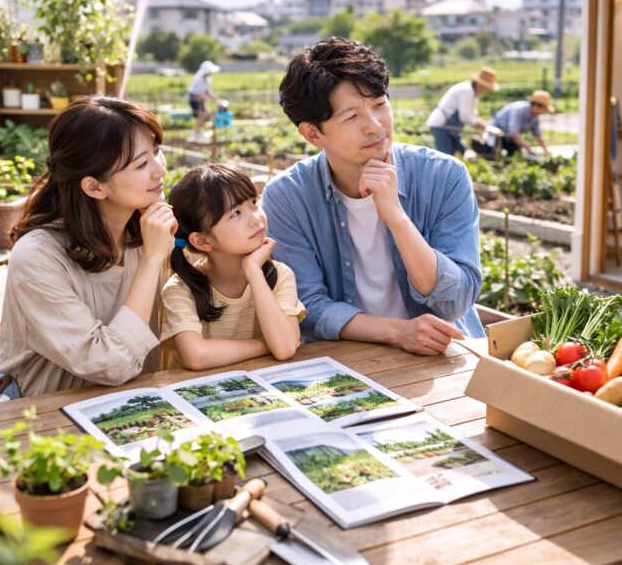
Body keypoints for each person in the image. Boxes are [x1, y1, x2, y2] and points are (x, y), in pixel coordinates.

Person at [0, 96, 176, 509]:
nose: (159, 170)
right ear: (93, 185)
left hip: (122, 419)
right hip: (39, 435)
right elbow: (107, 363)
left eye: (157, 153)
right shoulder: (38, 256)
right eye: (141, 164)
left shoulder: (148, 228)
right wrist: (155, 258)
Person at [261, 37, 486, 357]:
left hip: (443, 356)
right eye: (352, 116)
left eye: (380, 105)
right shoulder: (287, 198)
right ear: (312, 133)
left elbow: (455, 301)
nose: (375, 126)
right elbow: (306, 305)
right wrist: (398, 332)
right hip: (347, 359)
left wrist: (396, 215)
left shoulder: (444, 176)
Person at [162, 164, 305, 370]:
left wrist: (254, 271)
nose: (256, 218)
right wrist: (267, 345)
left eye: (253, 202)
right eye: (236, 213)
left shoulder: (279, 275)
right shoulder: (180, 289)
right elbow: (196, 357)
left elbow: (284, 349)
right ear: (202, 241)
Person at [426, 66, 499, 157]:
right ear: (480, 84)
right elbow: (464, 116)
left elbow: (473, 114)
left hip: (450, 128)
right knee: (444, 158)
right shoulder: (466, 91)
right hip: (441, 126)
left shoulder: (473, 93)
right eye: (487, 87)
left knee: (454, 155)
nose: (487, 90)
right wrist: (483, 127)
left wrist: (483, 124)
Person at [485, 89, 554, 156]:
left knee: (515, 153)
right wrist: (528, 148)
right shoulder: (518, 110)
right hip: (495, 134)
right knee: (493, 155)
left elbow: (538, 136)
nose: (543, 112)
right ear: (536, 105)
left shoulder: (535, 117)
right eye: (544, 109)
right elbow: (514, 134)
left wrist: (546, 151)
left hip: (508, 137)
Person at [187, 60, 222, 143]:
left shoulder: (208, 79)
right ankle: (195, 134)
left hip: (201, 100)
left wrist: (217, 99)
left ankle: (199, 132)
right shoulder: (199, 79)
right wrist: (211, 99)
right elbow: (199, 93)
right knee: (202, 115)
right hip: (194, 100)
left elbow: (208, 92)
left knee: (207, 115)